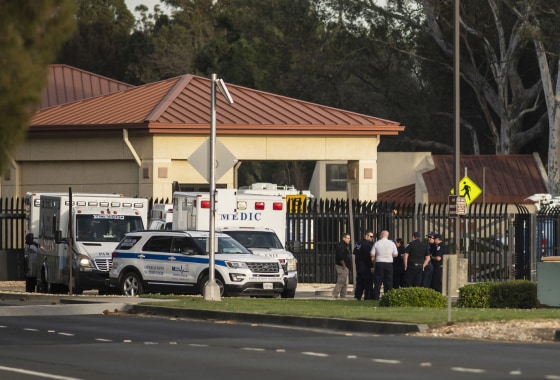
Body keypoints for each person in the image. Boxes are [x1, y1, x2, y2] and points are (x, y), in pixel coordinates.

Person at [370, 230, 398, 300]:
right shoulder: (392, 244)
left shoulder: (377, 243)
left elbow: (372, 254)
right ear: (387, 236)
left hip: (379, 263)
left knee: (378, 281)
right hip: (389, 263)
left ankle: (376, 297)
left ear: (381, 235)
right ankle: (388, 297)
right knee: (388, 281)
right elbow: (395, 254)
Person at [353, 230, 374, 300]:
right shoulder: (366, 245)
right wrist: (371, 266)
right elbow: (367, 257)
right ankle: (367, 297)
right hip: (365, 267)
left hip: (359, 266)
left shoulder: (359, 243)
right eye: (371, 236)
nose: (372, 238)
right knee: (368, 282)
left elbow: (355, 252)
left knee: (360, 282)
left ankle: (357, 296)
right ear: (366, 236)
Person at [332, 232, 352, 298]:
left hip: (345, 266)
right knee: (341, 281)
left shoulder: (345, 245)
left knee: (345, 283)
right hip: (342, 266)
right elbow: (340, 256)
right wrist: (343, 265)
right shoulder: (341, 245)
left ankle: (343, 296)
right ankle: (334, 295)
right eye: (348, 238)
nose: (349, 239)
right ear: (343, 238)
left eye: (349, 238)